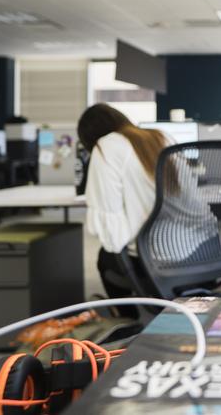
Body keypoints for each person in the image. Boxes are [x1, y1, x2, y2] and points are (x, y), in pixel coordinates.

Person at [78, 103, 171, 301]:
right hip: (195, 252)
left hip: (152, 261)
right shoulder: (160, 136)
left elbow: (110, 235)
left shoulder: (106, 146)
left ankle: (125, 316)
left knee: (105, 257)